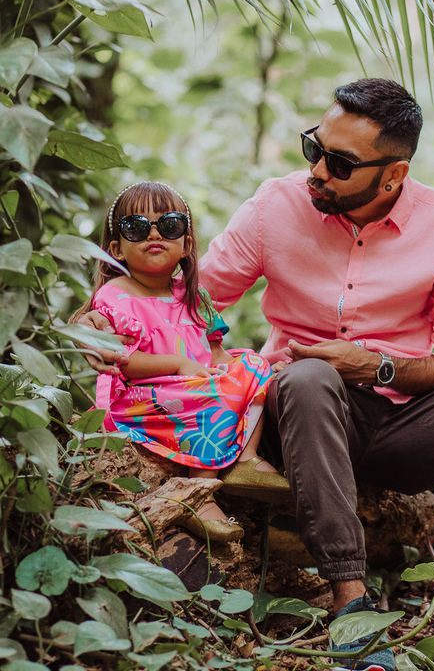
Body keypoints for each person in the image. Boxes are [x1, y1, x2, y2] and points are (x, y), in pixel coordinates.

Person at [79, 81, 434, 671]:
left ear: (392, 176)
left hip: (406, 416)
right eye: (315, 148)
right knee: (308, 376)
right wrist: (99, 321)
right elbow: (184, 297)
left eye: (339, 164)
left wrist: (377, 365)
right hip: (299, 414)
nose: (317, 171)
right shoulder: (275, 206)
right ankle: (352, 612)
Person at [78, 181, 290, 544]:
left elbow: (215, 352)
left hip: (195, 387)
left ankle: (246, 459)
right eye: (137, 228)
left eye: (169, 225)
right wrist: (179, 365)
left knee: (254, 364)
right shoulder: (116, 297)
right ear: (117, 249)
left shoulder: (194, 296)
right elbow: (124, 363)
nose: (154, 234)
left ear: (187, 244)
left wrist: (226, 370)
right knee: (212, 392)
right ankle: (198, 492)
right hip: (144, 398)